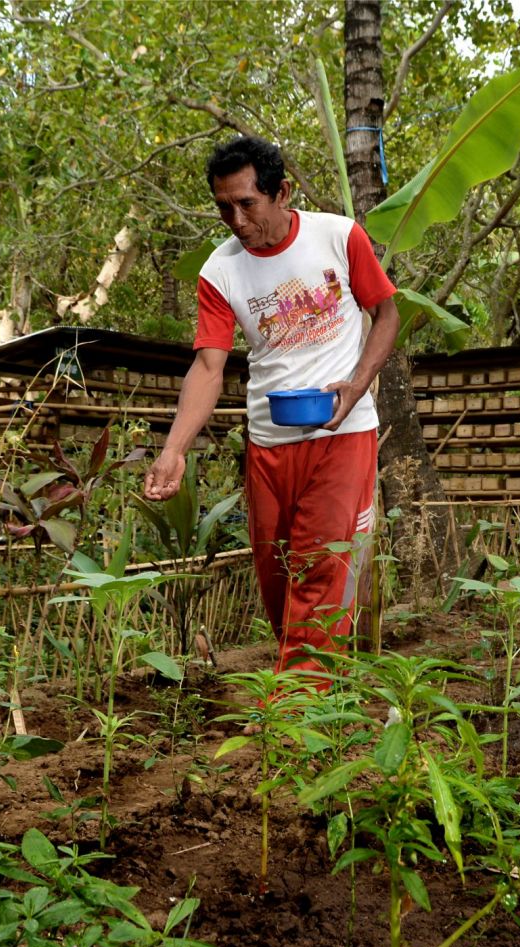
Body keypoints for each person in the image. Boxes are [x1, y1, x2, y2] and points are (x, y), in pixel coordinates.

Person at [144, 136, 399, 682]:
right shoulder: (220, 270)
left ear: (281, 192)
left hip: (342, 432)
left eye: (246, 204)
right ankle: (317, 694)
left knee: (320, 567)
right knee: (278, 576)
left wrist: (356, 386)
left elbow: (387, 316)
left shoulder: (338, 236)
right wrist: (174, 452)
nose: (234, 219)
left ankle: (296, 708)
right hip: (268, 443)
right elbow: (208, 367)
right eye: (222, 207)